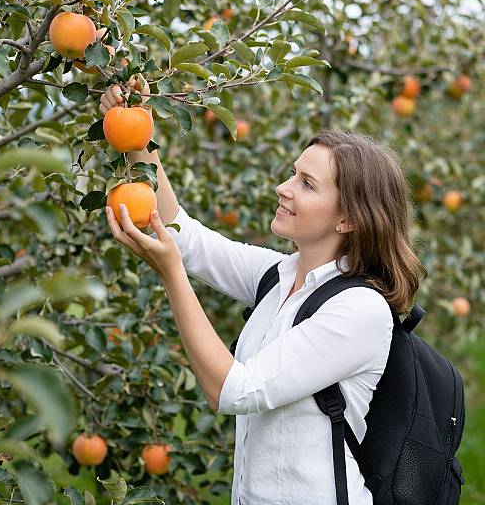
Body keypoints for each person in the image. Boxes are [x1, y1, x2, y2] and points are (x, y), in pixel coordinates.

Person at [100, 81, 427, 504]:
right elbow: (185, 236)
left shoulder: (360, 310)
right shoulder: (277, 275)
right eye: (294, 174)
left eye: (307, 184)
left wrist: (171, 275)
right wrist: (137, 129)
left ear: (347, 218)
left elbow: (232, 390)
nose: (284, 188)